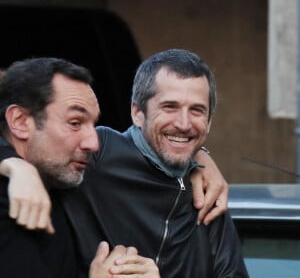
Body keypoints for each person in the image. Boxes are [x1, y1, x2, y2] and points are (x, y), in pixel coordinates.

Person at [0, 50, 238, 277]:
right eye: (169, 107)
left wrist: (200, 156)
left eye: (197, 110)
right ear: (136, 113)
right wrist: (15, 164)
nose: (184, 123)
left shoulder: (209, 198)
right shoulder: (95, 155)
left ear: (208, 123)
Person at [0, 57, 160, 278]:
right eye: (75, 123)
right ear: (19, 121)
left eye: (92, 125)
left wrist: (197, 162)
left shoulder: (63, 180)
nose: (93, 143)